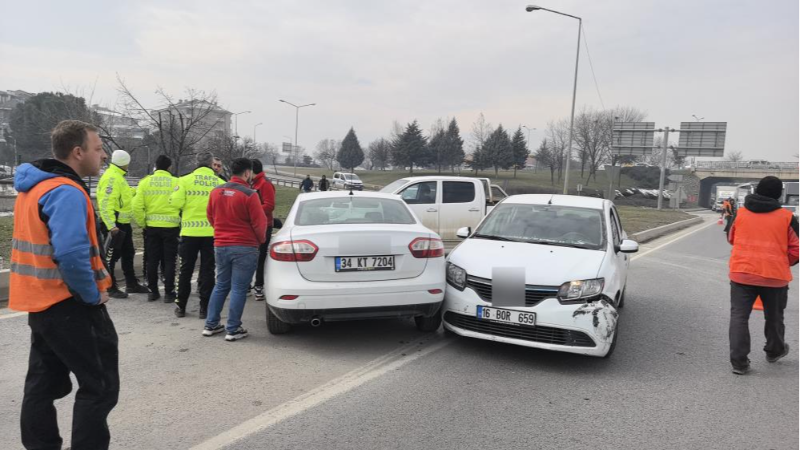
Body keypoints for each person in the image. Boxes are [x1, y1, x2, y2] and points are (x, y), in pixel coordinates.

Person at [10, 120, 118, 450]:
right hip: (70, 305)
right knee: (99, 387)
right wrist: (90, 296)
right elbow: (71, 255)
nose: (103, 155)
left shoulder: (34, 188)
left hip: (40, 304)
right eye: (98, 149)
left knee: (42, 385)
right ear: (77, 152)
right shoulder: (67, 192)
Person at [727, 176, 799, 375]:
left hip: (742, 274)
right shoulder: (786, 217)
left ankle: (739, 363)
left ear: (757, 191)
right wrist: (785, 261)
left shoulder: (740, 214)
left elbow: (731, 237)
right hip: (774, 276)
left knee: (739, 317)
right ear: (779, 195)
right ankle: (774, 351)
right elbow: (797, 248)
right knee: (774, 316)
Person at [203, 158, 267, 341]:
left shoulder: (216, 191)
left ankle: (211, 324)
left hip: (221, 245)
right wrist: (260, 240)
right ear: (247, 173)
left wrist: (220, 231)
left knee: (221, 284)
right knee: (239, 288)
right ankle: (233, 328)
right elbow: (259, 222)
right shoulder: (249, 194)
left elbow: (210, 215)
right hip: (245, 246)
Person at [170, 152, 224, 319]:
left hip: (189, 233)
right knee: (208, 271)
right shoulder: (221, 183)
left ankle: (180, 306)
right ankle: (205, 308)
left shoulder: (184, 180)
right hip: (212, 234)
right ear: (210, 164)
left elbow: (175, 203)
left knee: (185, 270)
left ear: (196, 162)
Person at [97, 149, 149, 298]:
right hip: (115, 225)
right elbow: (106, 203)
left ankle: (131, 283)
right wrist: (111, 225)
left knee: (128, 253)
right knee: (112, 257)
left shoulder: (118, 176)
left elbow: (123, 196)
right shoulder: (112, 178)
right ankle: (110, 286)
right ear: (125, 163)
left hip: (123, 223)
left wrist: (138, 190)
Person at [133, 155, 180, 303]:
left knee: (152, 260)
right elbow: (181, 203)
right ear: (169, 167)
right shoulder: (176, 182)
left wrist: (143, 223)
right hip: (171, 227)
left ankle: (152, 291)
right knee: (169, 260)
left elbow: (136, 206)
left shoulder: (145, 182)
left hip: (151, 227)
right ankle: (169, 292)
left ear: (155, 165)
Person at [249, 159, 276, 301]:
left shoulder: (265, 184)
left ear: (252, 170)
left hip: (264, 225)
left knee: (260, 257)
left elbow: (270, 205)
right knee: (248, 255)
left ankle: (259, 285)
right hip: (251, 225)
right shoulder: (251, 183)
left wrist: (253, 212)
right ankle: (247, 283)